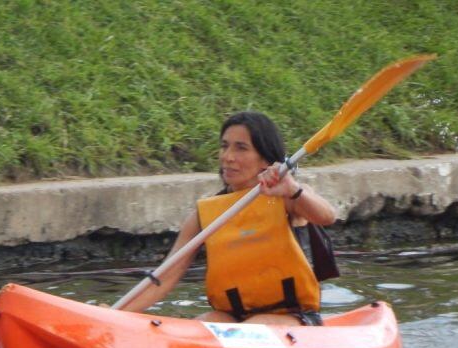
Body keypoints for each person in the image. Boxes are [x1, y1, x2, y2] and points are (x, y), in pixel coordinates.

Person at [119, 112, 337, 326]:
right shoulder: (206, 215)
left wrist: (293, 189)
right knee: (201, 326)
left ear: (265, 160)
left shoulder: (288, 197)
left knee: (253, 329)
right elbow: (163, 278)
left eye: (240, 148)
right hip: (233, 316)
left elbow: (327, 216)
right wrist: (114, 316)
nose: (227, 156)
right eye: (224, 146)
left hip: (294, 318)